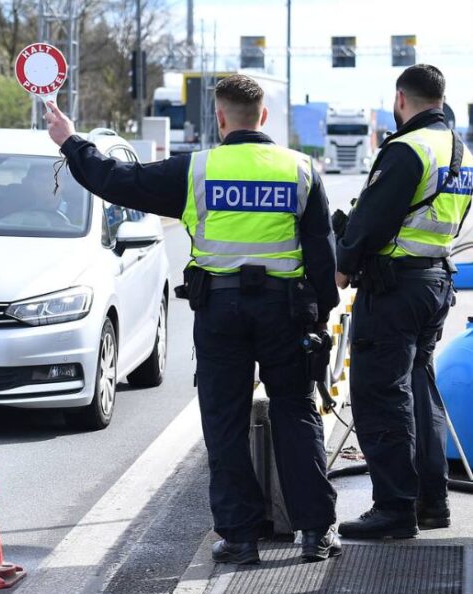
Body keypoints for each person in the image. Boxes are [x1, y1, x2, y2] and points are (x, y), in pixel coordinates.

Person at [45, 74, 341, 563]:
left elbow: (117, 181)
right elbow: (321, 255)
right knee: (295, 411)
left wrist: (71, 142)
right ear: (262, 117)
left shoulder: (197, 170)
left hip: (221, 310)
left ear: (219, 118)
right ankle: (313, 533)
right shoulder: (300, 169)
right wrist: (318, 318)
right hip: (285, 311)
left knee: (224, 420)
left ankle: (241, 538)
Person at [335, 64, 473, 539]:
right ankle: (431, 503)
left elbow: (369, 221)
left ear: (401, 99)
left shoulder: (406, 148)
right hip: (435, 281)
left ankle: (393, 509)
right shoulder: (462, 151)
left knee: (380, 394)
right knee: (419, 392)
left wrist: (344, 262)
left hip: (394, 290)